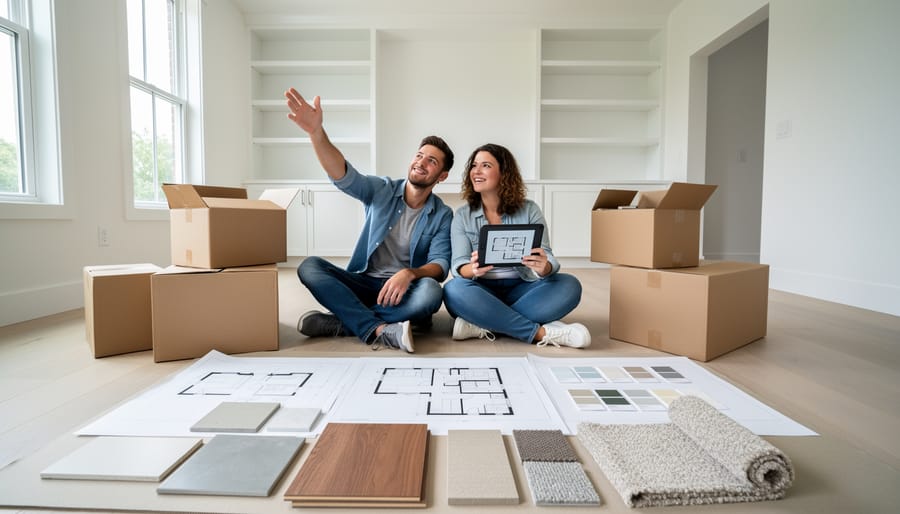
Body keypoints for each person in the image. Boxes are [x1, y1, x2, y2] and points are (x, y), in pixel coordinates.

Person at [285, 87, 454, 353]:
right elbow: (344, 175)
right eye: (419, 155)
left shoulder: (442, 214)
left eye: (431, 161)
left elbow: (441, 264)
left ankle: (344, 321)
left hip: (404, 291)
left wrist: (409, 274)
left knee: (432, 292)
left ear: (442, 176)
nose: (421, 163)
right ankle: (376, 327)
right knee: (309, 266)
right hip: (364, 282)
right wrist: (316, 134)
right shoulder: (381, 189)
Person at [442, 143, 590, 348]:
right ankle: (540, 333)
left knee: (569, 285)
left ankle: (485, 323)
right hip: (481, 290)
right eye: (474, 166)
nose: (476, 171)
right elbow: (459, 265)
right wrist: (473, 268)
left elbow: (548, 256)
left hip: (524, 287)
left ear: (504, 173)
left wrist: (543, 267)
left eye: (485, 165)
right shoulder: (462, 215)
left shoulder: (529, 209)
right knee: (453, 290)